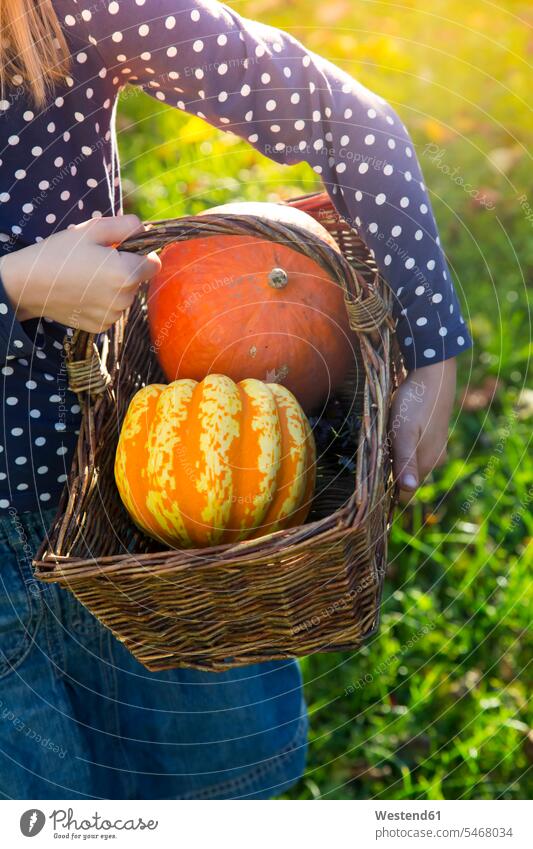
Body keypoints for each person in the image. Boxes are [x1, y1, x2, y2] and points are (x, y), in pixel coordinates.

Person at [0, 0, 471, 799]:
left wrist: (433, 354)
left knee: (211, 788)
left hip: (138, 516)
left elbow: (342, 119)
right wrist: (18, 286)